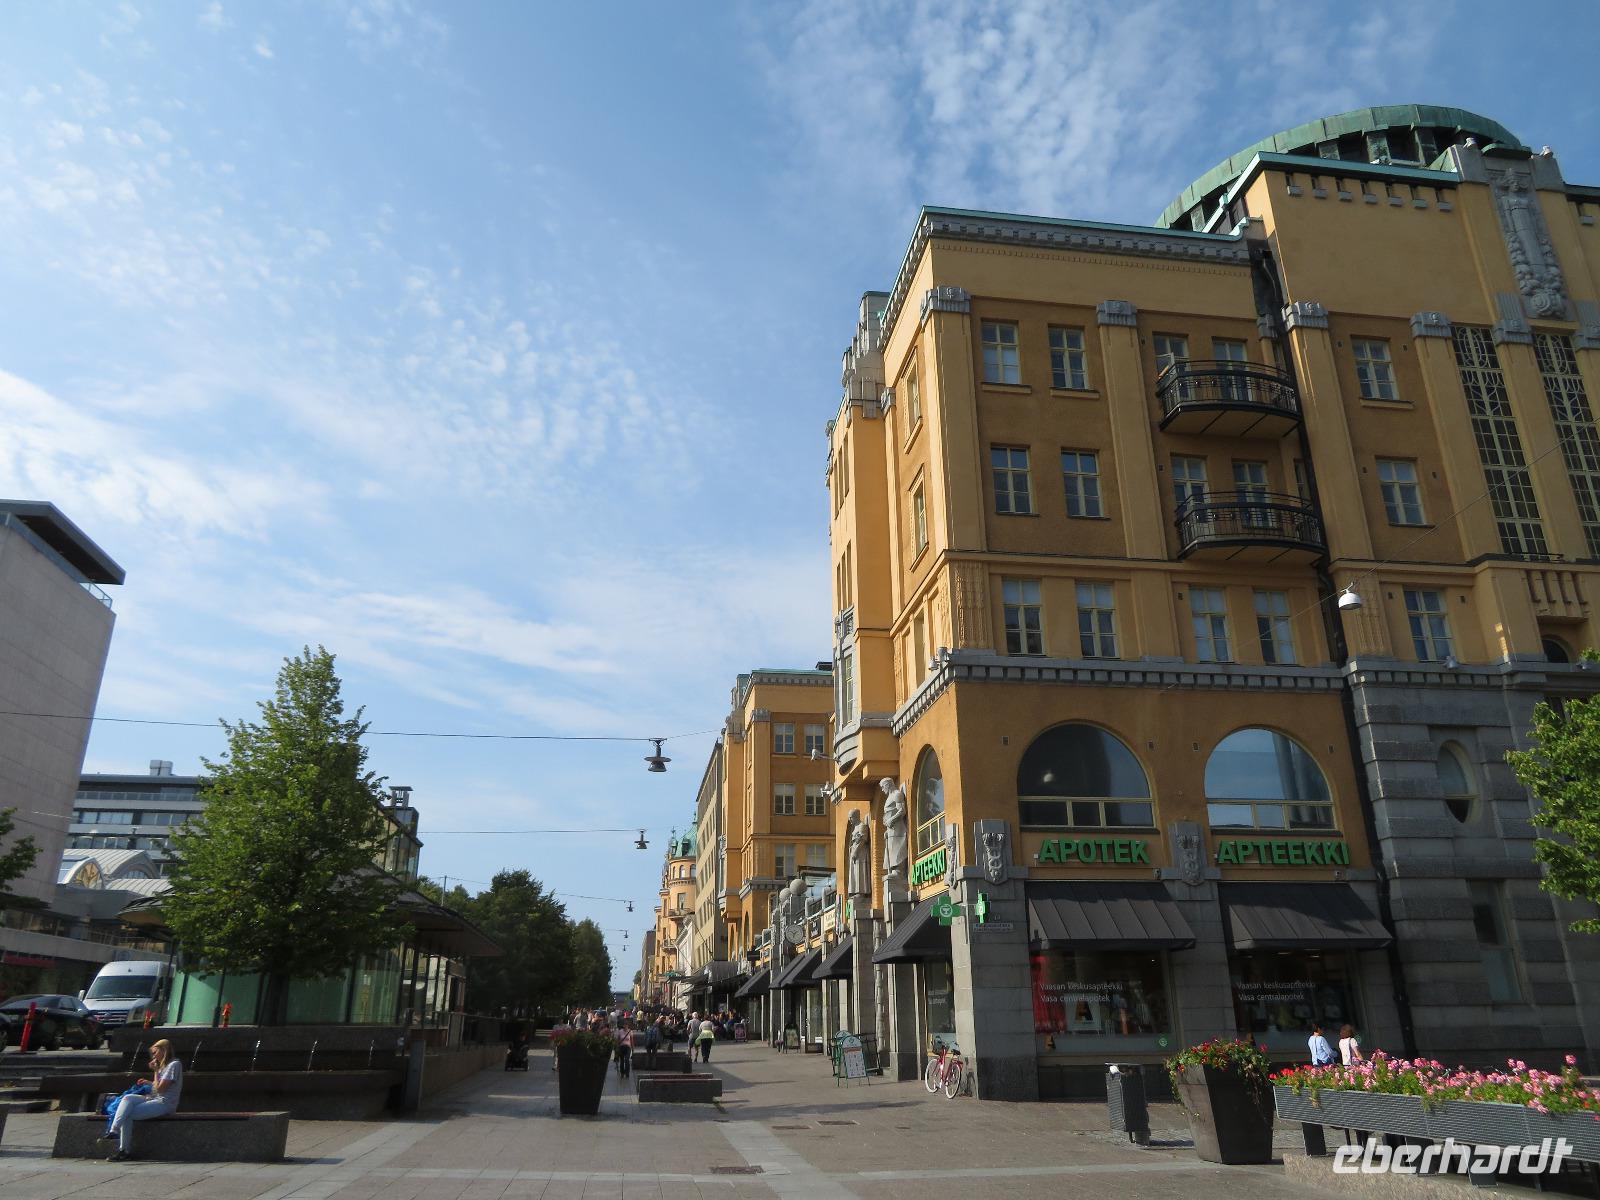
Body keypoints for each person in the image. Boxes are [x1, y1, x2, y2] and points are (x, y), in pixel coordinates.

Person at [103, 1039, 182, 1161]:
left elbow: (161, 1090)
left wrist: (155, 1071)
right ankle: (114, 1130)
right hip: (155, 1099)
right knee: (127, 1098)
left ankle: (124, 1150)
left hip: (165, 1103)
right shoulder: (164, 1066)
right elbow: (157, 1088)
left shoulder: (174, 1065)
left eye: (155, 1052)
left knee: (127, 1114)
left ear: (163, 1051)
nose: (153, 1056)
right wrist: (149, 1082)